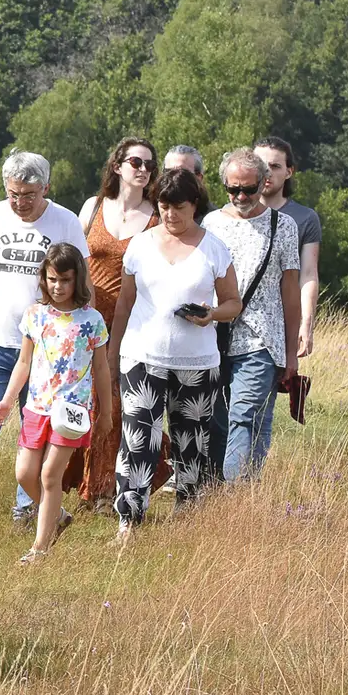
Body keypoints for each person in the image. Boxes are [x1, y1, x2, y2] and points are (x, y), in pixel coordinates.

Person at [0, 152, 89, 530]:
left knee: (35, 431)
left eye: (28, 195)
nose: (20, 203)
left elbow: (80, 282)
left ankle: (26, 512)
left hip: (48, 350)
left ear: (46, 187)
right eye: (13, 194)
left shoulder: (66, 222)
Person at [106, 168, 241, 541]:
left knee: (191, 442)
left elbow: (233, 303)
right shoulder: (140, 244)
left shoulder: (214, 247)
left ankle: (187, 515)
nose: (170, 215)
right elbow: (124, 302)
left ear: (194, 204)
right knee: (138, 438)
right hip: (142, 355)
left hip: (197, 362)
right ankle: (129, 520)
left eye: (178, 207)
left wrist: (210, 314)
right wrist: (113, 351)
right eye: (163, 206)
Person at [0, 245, 111, 564]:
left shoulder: (92, 321)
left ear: (77, 280)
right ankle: (56, 514)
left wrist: (106, 412)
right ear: (44, 278)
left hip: (71, 412)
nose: (58, 286)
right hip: (36, 407)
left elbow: (101, 368)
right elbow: (23, 363)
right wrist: (6, 400)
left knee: (49, 476)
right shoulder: (35, 315)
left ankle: (39, 549)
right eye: (52, 279)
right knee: (25, 473)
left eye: (65, 280)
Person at [201, 148, 300, 483]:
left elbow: (290, 290)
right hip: (213, 336)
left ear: (265, 183)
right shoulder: (211, 224)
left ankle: (232, 497)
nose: (241, 196)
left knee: (244, 415)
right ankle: (229, 489)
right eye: (233, 189)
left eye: (248, 188)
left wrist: (291, 354)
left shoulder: (282, 226)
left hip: (261, 339)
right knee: (218, 419)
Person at [72, 137, 158, 511]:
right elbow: (73, 258)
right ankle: (80, 484)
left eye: (149, 165)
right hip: (87, 318)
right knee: (85, 401)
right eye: (136, 162)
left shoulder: (157, 214)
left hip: (133, 321)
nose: (143, 170)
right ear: (117, 165)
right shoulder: (92, 207)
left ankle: (106, 491)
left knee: (119, 404)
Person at [254, 137, 322, 366]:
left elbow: (309, 274)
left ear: (289, 171)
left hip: (280, 323)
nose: (267, 172)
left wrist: (305, 323)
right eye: (261, 165)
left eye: (275, 166)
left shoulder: (305, 218)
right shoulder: (229, 217)